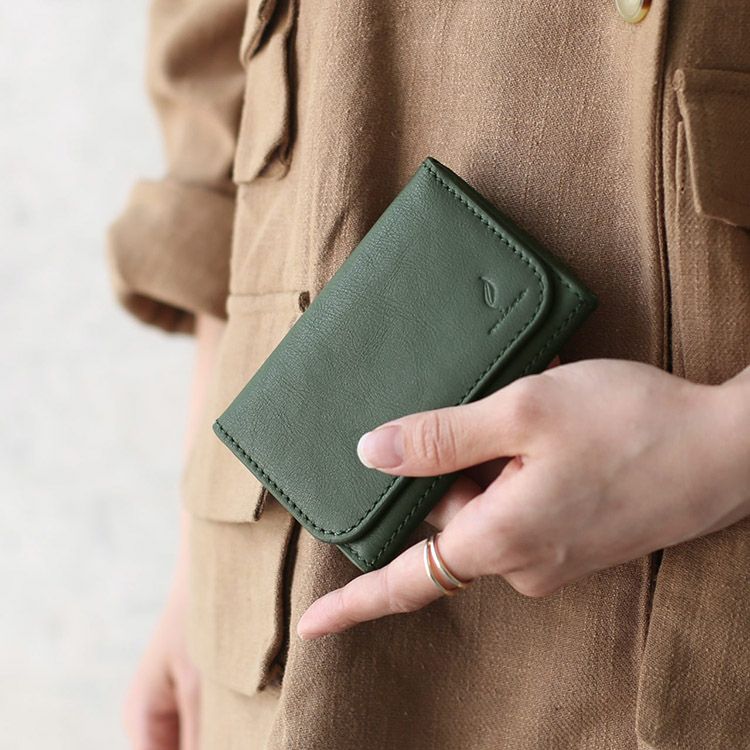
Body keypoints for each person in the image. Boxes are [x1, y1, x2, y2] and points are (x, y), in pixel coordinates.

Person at [108, 0, 750, 747]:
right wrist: (198, 572)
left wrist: (722, 447)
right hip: (284, 584)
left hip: (687, 555)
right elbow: (213, 95)